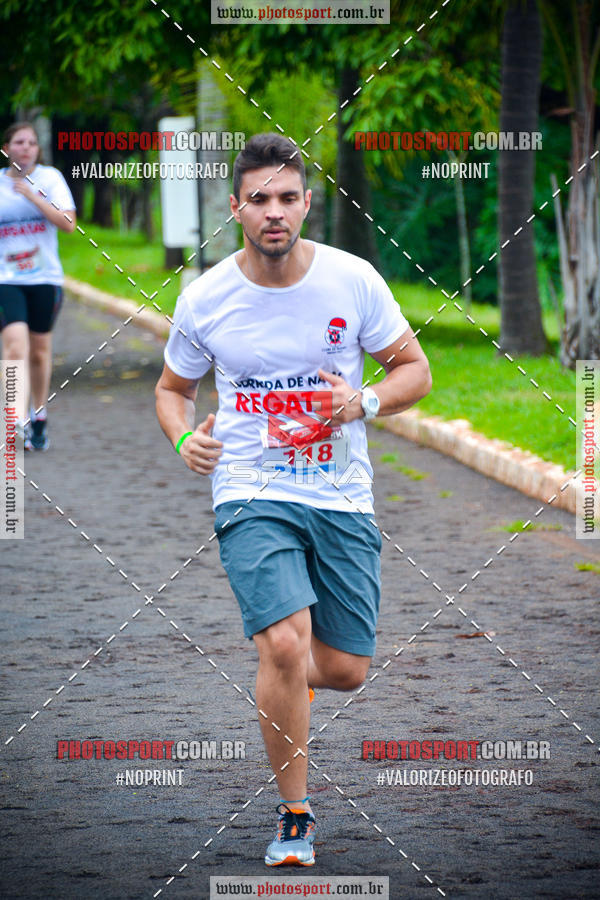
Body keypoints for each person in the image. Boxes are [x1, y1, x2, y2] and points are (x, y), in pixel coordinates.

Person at [155, 133, 432, 866]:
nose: (273, 212)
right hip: (249, 488)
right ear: (236, 208)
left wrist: (363, 401)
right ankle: (295, 816)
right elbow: (171, 390)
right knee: (283, 639)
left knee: (342, 669)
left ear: (306, 203)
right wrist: (186, 442)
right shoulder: (205, 296)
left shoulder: (352, 280)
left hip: (341, 493)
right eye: (258, 200)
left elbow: (415, 370)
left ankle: (277, 678)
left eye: (286, 198)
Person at [0, 121, 76, 450]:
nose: (27, 147)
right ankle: (15, 416)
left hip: (45, 278)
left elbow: (69, 224)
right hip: (6, 279)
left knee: (40, 350)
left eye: (32, 142)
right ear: (6, 149)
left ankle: (39, 414)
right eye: (19, 142)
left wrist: (33, 197)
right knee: (16, 345)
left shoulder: (50, 179)